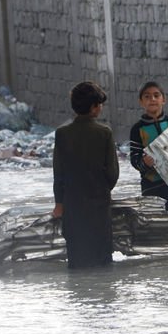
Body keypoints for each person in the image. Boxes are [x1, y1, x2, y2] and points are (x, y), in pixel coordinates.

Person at [52, 81, 119, 268]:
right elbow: (112, 174)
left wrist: (59, 203)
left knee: (76, 260)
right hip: (99, 205)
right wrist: (101, 189)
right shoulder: (104, 133)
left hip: (73, 207)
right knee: (102, 260)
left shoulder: (62, 133)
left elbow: (59, 173)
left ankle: (78, 296)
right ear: (94, 107)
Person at [129, 81, 168, 210]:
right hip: (152, 186)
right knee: (157, 225)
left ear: (164, 99)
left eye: (157, 95)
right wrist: (144, 163)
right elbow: (134, 160)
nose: (152, 99)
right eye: (147, 96)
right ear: (141, 102)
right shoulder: (137, 129)